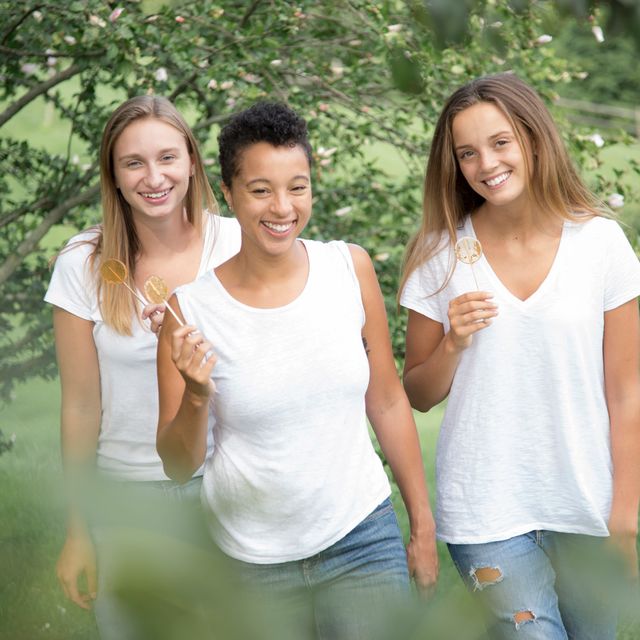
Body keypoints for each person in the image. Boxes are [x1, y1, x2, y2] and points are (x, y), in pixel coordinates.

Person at [156, 102, 438, 639]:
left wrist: (422, 526)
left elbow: (386, 399)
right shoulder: (187, 310)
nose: (282, 207)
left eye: (297, 186)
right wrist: (196, 395)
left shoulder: (349, 267)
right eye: (261, 189)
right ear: (230, 192)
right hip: (250, 564)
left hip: (361, 537)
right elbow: (176, 463)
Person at [399, 72, 640, 640]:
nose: (486, 164)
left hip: (585, 503)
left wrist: (625, 519)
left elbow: (627, 393)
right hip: (485, 509)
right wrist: (454, 342)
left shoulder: (600, 244)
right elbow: (417, 393)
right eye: (467, 153)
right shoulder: (441, 255)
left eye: (500, 142)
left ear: (533, 140)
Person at [45, 95, 241, 638]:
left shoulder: (236, 243)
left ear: (192, 163)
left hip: (228, 487)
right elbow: (81, 405)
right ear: (113, 174)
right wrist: (78, 528)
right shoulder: (82, 263)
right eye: (134, 163)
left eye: (167, 158)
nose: (153, 177)